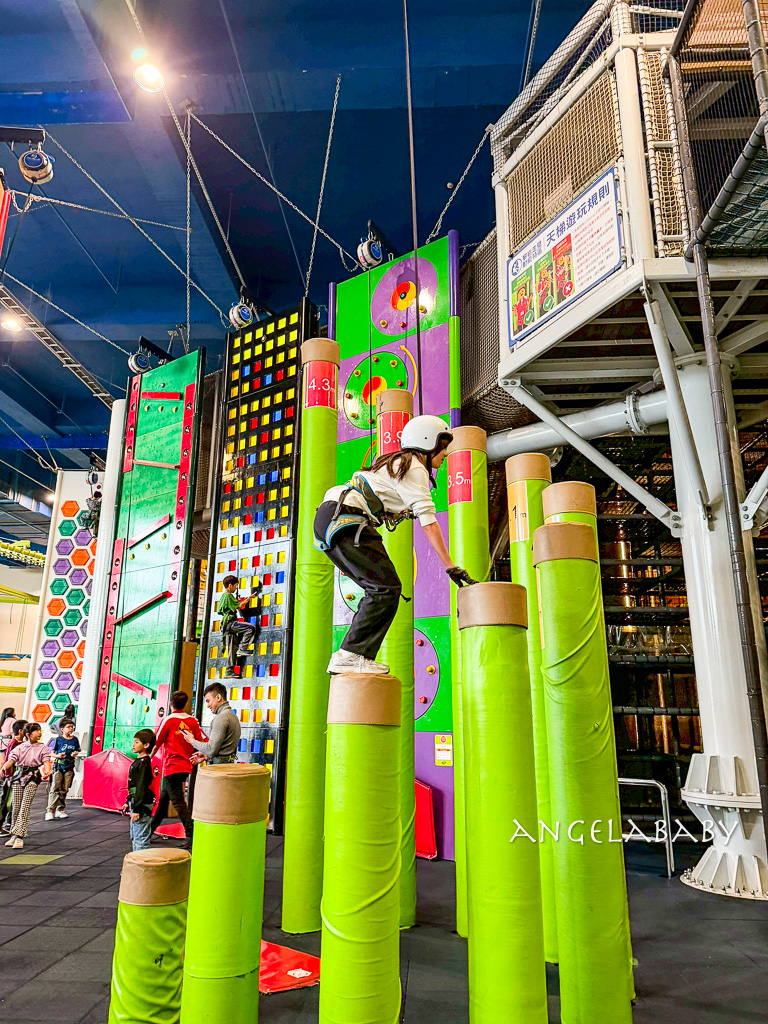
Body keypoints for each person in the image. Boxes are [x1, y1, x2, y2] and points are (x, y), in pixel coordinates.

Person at [314, 415, 473, 675]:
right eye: (442, 447)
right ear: (427, 443)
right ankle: (351, 654)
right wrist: (450, 566)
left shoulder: (396, 464)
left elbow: (388, 497)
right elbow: (429, 523)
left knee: (379, 587)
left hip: (330, 519)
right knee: (385, 587)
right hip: (348, 519)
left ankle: (351, 654)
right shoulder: (414, 467)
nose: (444, 454)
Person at [149, 691, 206, 847]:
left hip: (171, 766)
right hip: (186, 766)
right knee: (164, 800)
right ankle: (149, 831)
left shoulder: (169, 720)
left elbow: (156, 742)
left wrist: (147, 759)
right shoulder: (192, 721)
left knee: (178, 801)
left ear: (170, 704)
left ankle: (191, 833)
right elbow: (203, 740)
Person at [1, 722, 53, 850]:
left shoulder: (43, 747)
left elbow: (46, 761)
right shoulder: (20, 747)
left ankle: (19, 836)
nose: (40, 733)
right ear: (28, 734)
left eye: (40, 730)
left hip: (32, 778)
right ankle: (14, 833)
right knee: (16, 806)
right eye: (37, 731)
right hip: (18, 777)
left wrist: (47, 770)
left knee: (25, 806)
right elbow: (11, 760)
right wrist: (3, 768)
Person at [179, 682, 240, 766]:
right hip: (227, 766)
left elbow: (211, 749)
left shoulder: (221, 718)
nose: (207, 705)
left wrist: (192, 741)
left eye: (208, 701)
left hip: (218, 770)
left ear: (218, 697)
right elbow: (221, 750)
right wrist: (206, 756)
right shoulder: (233, 717)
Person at [217, 576, 260, 677]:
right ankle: (243, 647)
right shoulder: (228, 596)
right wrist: (249, 598)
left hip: (225, 625)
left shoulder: (224, 596)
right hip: (230, 623)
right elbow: (240, 606)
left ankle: (229, 670)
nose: (235, 588)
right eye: (235, 586)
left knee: (232, 648)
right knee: (250, 628)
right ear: (230, 585)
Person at [45, 718, 85, 820]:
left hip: (69, 766)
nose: (71, 729)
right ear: (62, 729)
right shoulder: (58, 740)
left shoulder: (74, 740)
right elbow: (51, 753)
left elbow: (77, 750)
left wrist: (75, 754)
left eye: (72, 727)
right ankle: (50, 810)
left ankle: (60, 809)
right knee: (55, 788)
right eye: (68, 727)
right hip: (58, 766)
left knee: (65, 789)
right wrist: (58, 756)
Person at [124, 729, 156, 852]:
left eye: (137, 742)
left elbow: (141, 786)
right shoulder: (139, 761)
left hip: (141, 805)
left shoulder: (144, 763)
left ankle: (141, 867)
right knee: (135, 836)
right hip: (136, 801)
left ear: (146, 745)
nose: (133, 745)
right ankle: (136, 867)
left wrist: (137, 809)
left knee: (140, 838)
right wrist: (128, 801)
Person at [0, 719, 26, 830]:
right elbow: (8, 760)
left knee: (15, 802)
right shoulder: (13, 744)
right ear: (20, 731)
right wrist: (9, 777)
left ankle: (10, 824)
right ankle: (5, 824)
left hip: (18, 777)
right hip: (12, 777)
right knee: (6, 803)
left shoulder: (23, 744)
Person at [0, 707, 16, 771]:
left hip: (1, 743)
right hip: (8, 743)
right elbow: (13, 733)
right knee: (9, 761)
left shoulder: (2, 721)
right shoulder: (12, 720)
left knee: (1, 762)